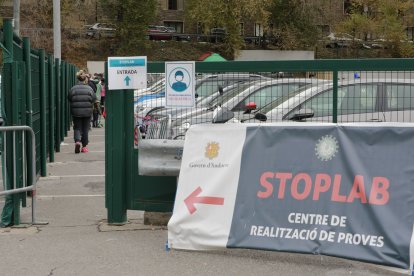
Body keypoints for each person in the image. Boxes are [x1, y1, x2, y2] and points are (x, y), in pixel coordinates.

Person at [68, 70, 96, 153]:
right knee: (85, 129)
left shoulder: (73, 88)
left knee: (77, 127)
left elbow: (69, 98)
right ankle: (84, 147)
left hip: (76, 112)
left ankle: (77, 141)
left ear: (77, 79)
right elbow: (93, 99)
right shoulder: (89, 89)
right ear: (85, 79)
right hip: (87, 112)